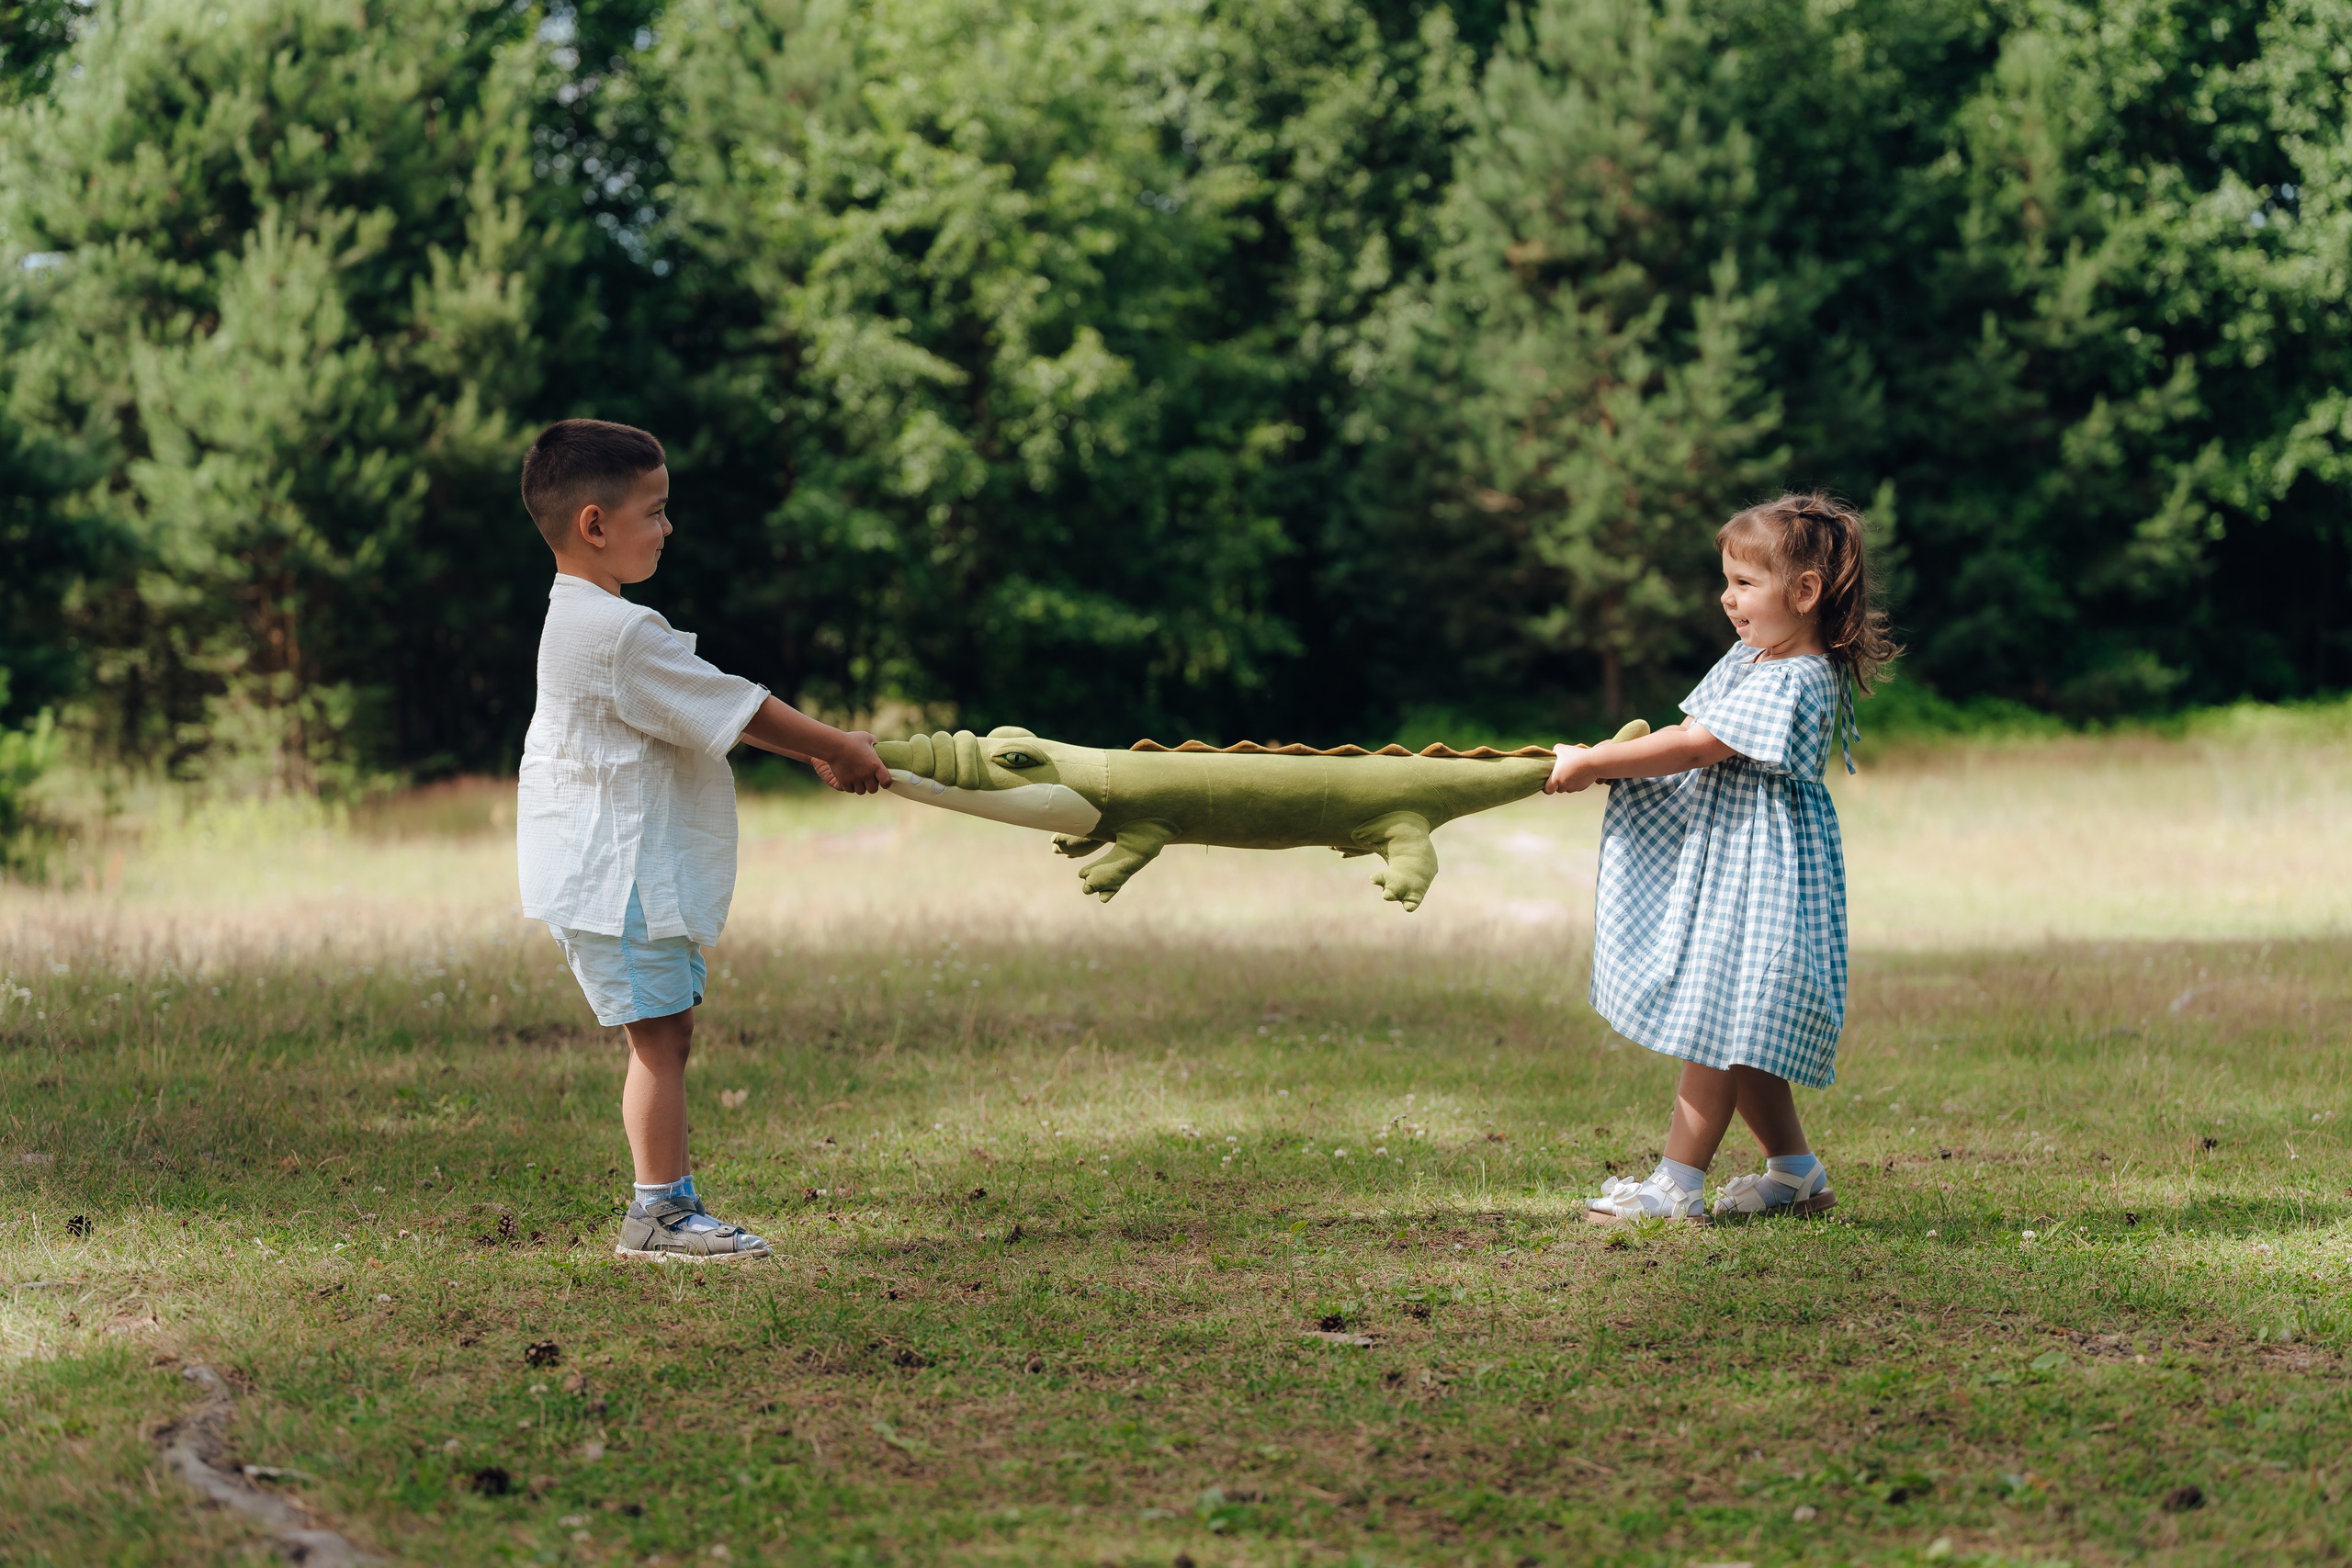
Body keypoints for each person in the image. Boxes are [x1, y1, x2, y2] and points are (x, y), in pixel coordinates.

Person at [515, 419, 892, 1261]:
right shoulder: (615, 633)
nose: (668, 526)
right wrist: (835, 744)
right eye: (655, 509)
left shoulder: (583, 615)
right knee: (659, 1036)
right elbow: (735, 705)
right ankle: (658, 1215)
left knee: (667, 1029)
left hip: (616, 869)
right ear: (594, 525)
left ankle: (669, 1203)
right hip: (619, 874)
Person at [1545, 492, 1896, 1223]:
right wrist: (1614, 763)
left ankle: (1677, 1184)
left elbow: (1700, 745)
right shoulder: (1756, 656)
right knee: (1745, 1028)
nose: (1726, 598)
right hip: (1734, 862)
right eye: (1727, 581)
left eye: (1744, 583)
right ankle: (1796, 1173)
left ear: (1804, 592)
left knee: (1717, 1020)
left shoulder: (1799, 675)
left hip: (1759, 873)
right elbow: (1689, 727)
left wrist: (1596, 759)